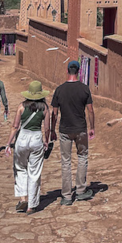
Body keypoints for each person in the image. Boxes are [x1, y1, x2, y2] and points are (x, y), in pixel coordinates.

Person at [51, 60, 95, 206]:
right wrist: (92, 127)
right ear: (78, 72)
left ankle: (66, 196)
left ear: (67, 70)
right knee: (82, 157)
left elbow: (55, 113)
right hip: (80, 128)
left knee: (66, 162)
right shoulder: (84, 89)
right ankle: (81, 191)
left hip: (65, 130)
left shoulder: (59, 90)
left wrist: (52, 129)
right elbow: (90, 110)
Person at [5, 80, 51, 214]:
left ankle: (23, 197)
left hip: (22, 139)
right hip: (36, 138)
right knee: (34, 172)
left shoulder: (21, 106)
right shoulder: (45, 108)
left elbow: (15, 126)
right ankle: (32, 204)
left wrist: (8, 143)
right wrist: (46, 141)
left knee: (20, 168)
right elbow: (47, 128)